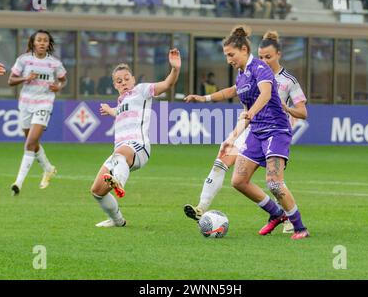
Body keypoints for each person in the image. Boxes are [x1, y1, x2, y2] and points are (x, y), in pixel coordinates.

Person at [185, 26, 309, 239]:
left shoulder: (260, 67)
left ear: (244, 50)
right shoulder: (242, 76)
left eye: (231, 54)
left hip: (276, 130)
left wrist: (250, 114)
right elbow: (230, 93)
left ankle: (300, 228)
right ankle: (276, 214)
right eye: (226, 56)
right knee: (238, 181)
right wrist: (229, 136)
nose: (228, 60)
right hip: (256, 131)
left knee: (274, 183)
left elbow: (266, 93)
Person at [91, 49, 181, 228]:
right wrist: (110, 111)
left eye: (126, 78)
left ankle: (119, 181)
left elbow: (167, 84)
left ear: (133, 79)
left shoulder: (141, 90)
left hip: (138, 147)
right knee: (97, 191)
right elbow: (120, 112)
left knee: (120, 154)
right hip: (121, 153)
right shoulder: (121, 101)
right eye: (119, 81)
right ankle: (118, 221)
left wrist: (175, 69)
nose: (123, 82)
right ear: (115, 85)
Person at [8, 29, 67, 195]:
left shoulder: (54, 63)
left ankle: (18, 183)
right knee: (31, 142)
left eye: (45, 41)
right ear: (33, 42)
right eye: (39, 40)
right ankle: (48, 168)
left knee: (30, 142)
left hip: (44, 104)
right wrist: (25, 78)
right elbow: (11, 80)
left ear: (49, 44)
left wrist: (59, 87)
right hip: (25, 105)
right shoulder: (24, 60)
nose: (42, 43)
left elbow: (63, 80)